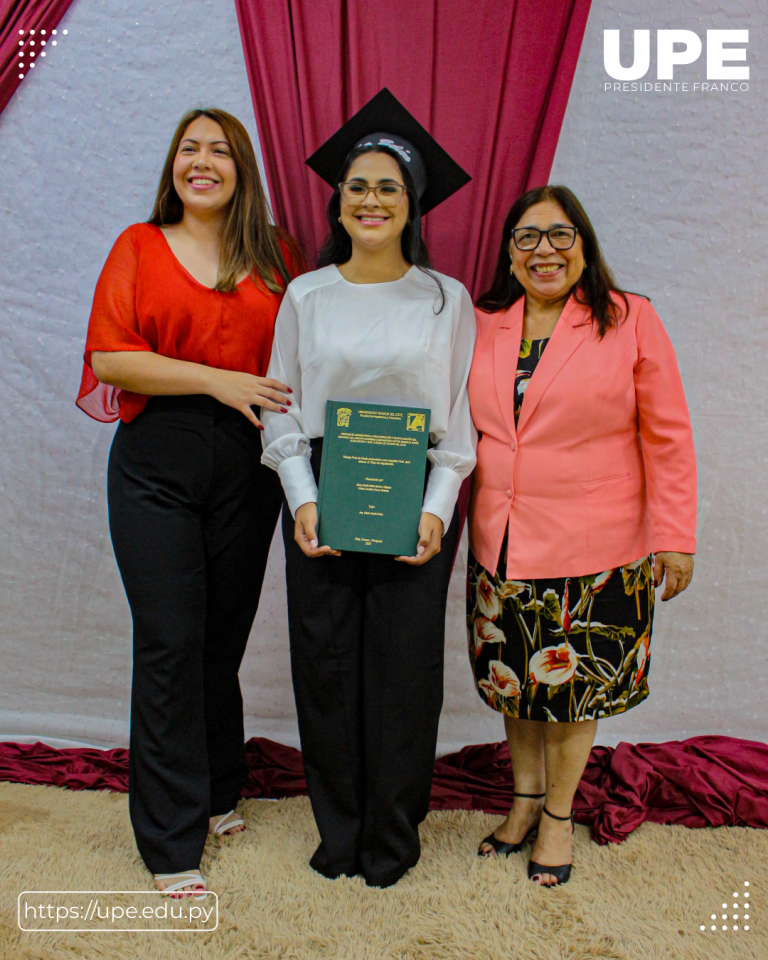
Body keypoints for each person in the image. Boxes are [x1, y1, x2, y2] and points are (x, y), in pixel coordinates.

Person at [76, 108, 304, 897]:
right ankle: (170, 843)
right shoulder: (138, 245)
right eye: (188, 149)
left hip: (250, 467)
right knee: (171, 641)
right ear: (173, 164)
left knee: (218, 642)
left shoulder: (276, 253)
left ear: (242, 168)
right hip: (156, 466)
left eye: (218, 150)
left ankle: (216, 793)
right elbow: (110, 358)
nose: (200, 161)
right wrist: (215, 379)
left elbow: (303, 354)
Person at [261, 89, 476, 888]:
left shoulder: (445, 299)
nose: (373, 199)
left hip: (414, 488)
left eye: (390, 186)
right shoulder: (305, 295)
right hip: (321, 483)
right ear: (339, 203)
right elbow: (279, 405)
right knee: (325, 660)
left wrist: (436, 509)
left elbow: (457, 417)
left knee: (404, 665)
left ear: (413, 204)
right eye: (359, 186)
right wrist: (301, 495)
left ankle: (393, 835)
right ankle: (339, 831)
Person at [466, 185, 697, 886]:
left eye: (561, 235)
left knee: (571, 694)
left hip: (596, 548)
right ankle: (525, 800)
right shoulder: (484, 322)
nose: (545, 250)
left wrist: (676, 535)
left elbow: (669, 435)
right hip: (501, 540)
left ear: (585, 244)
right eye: (528, 237)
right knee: (517, 688)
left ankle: (559, 818)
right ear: (509, 251)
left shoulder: (628, 320)